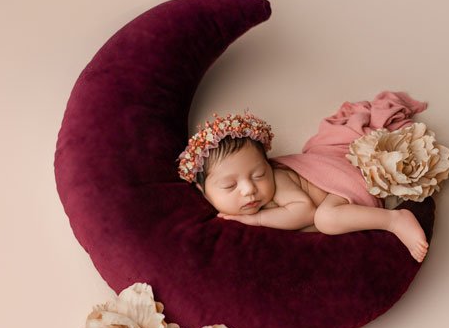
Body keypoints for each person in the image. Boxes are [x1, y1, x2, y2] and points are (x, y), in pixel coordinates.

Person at [176, 93, 430, 262]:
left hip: (341, 187)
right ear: (202, 191)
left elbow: (304, 212)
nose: (248, 190)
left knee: (325, 219)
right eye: (230, 185)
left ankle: (394, 220)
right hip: (334, 199)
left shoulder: (278, 181)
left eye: (258, 174)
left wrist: (259, 219)